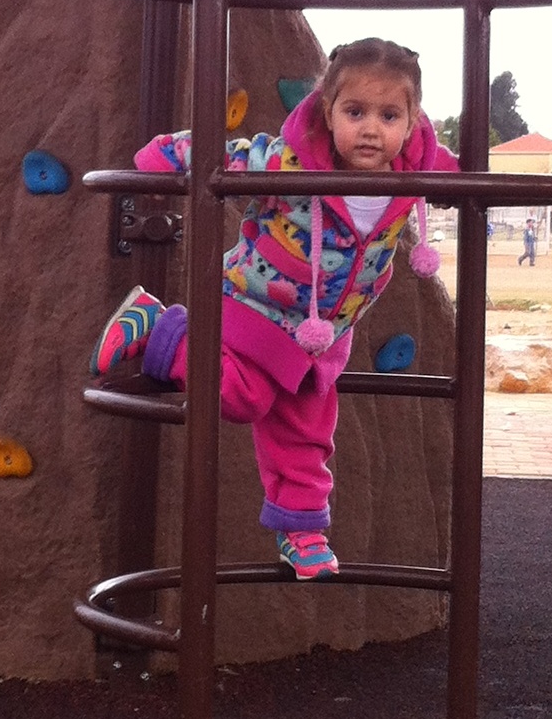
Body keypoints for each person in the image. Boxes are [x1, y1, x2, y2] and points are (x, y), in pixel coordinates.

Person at [90, 37, 455, 582]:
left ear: (412, 121)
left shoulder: (415, 171)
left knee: (309, 431)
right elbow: (227, 158)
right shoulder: (290, 162)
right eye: (355, 112)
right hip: (254, 307)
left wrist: (482, 184)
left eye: (389, 115)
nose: (371, 129)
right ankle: (160, 327)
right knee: (243, 397)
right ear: (327, 112)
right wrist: (165, 157)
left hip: (323, 334)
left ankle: (302, 532)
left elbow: (460, 173)